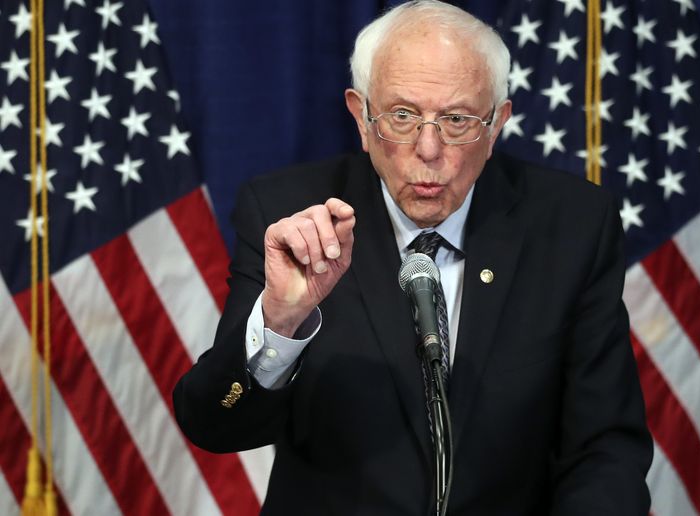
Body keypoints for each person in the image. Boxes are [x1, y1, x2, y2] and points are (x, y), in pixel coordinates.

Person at [173, 1, 652, 514]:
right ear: (361, 116)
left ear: (497, 125)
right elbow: (215, 425)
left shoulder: (572, 226)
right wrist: (281, 322)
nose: (428, 148)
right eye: (402, 116)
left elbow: (605, 448)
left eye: (457, 118)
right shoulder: (290, 216)